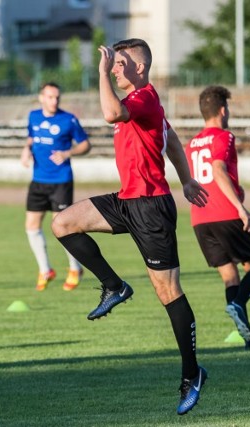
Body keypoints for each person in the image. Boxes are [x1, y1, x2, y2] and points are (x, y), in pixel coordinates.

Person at [51, 38, 209, 415]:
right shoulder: (144, 104)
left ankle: (192, 374)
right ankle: (113, 285)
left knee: (168, 292)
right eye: (114, 64)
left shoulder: (144, 98)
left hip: (152, 208)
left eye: (121, 63)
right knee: (63, 223)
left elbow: (110, 114)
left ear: (138, 67)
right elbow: (171, 141)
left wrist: (102, 74)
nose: (116, 68)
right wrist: (186, 179)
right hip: (127, 200)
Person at [184, 86, 250, 350]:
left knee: (230, 277)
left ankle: (249, 338)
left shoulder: (191, 144)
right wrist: (240, 207)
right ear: (223, 110)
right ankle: (237, 304)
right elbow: (217, 169)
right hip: (225, 213)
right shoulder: (224, 136)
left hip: (200, 219)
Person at [21, 82, 91, 291]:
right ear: (41, 97)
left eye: (57, 97)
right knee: (31, 226)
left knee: (61, 228)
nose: (54, 101)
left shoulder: (68, 120)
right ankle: (45, 270)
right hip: (38, 180)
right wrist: (26, 149)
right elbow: (31, 138)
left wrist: (67, 153)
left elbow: (86, 144)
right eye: (50, 97)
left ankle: (74, 268)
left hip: (61, 181)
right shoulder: (33, 116)